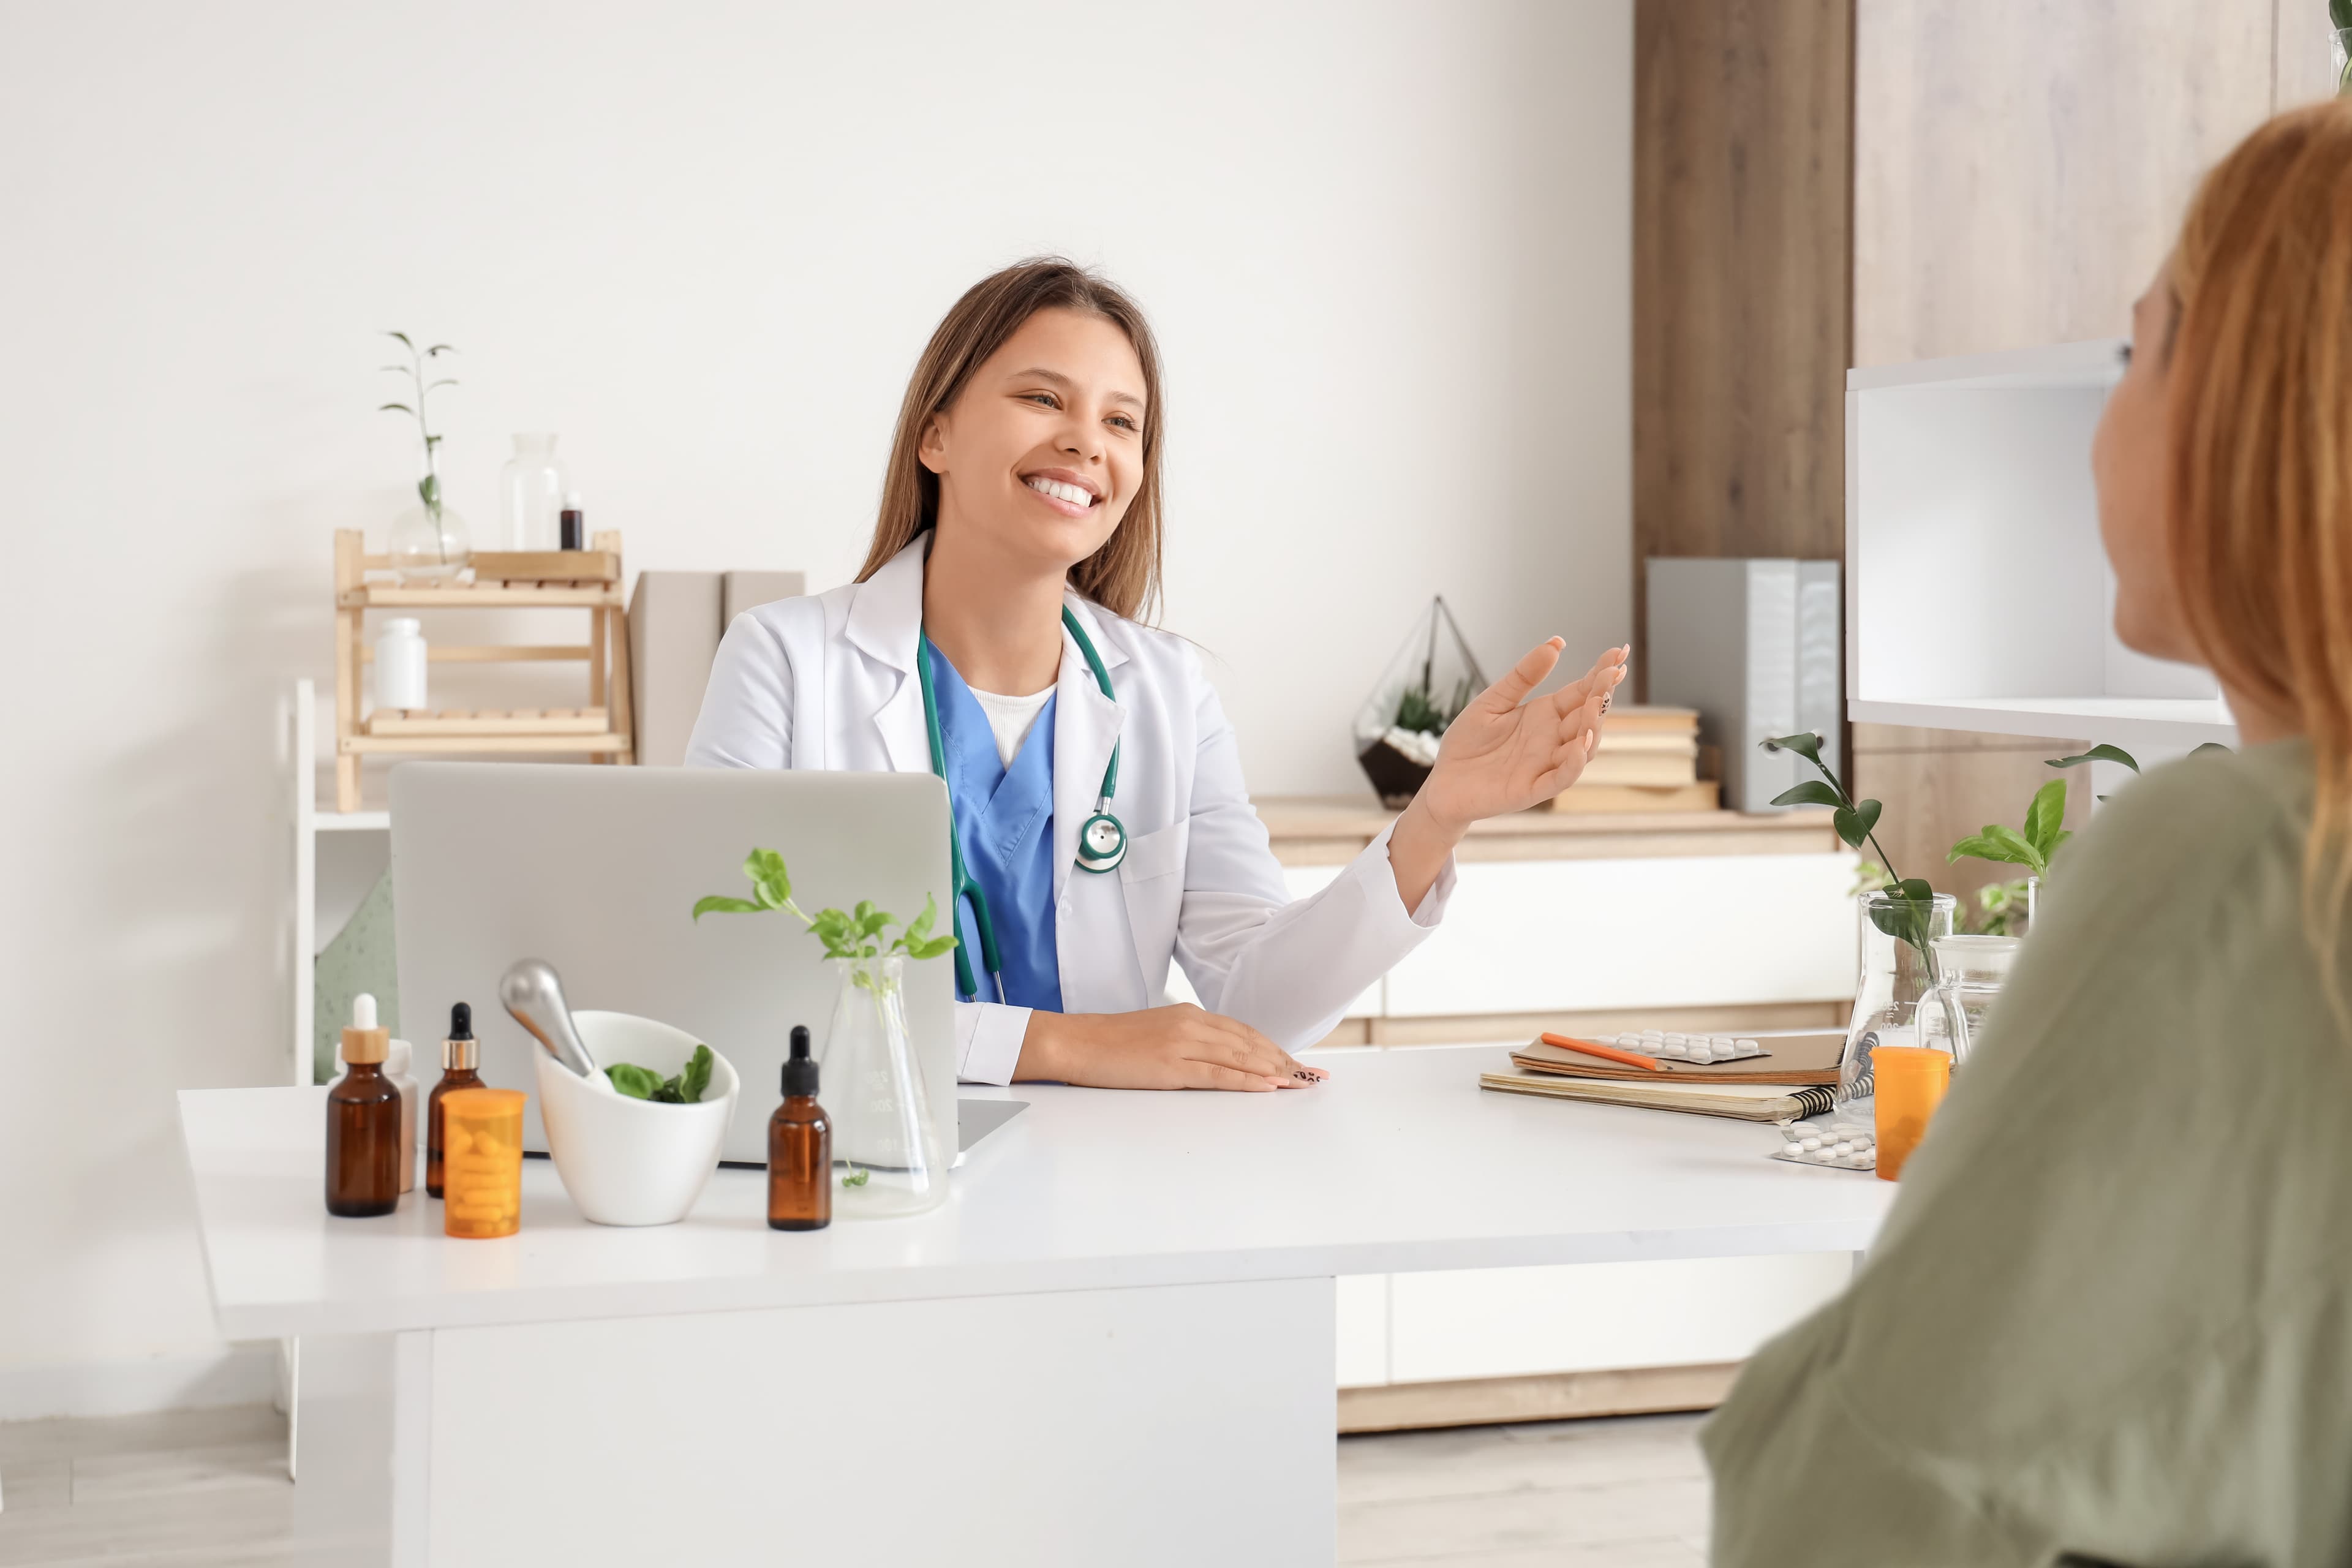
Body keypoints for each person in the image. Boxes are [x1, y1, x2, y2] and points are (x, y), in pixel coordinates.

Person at [1705, 101, 2352, 1564]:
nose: (2104, 421)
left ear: (2254, 406)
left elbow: (1871, 1486)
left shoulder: (2244, 863)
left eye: (2138, 354)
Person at [688, 258, 1626, 1090]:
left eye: (1121, 421)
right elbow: (734, 984)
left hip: (1116, 1181)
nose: (1086, 442)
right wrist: (1070, 1046)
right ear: (935, 436)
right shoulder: (784, 661)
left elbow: (1260, 1004)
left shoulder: (1169, 692)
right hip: (867, 1176)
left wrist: (1436, 819)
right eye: (1044, 399)